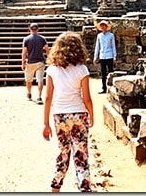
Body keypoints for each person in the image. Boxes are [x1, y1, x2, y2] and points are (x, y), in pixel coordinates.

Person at [42, 32, 93, 192]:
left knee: (64, 151)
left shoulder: (51, 70)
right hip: (78, 113)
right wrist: (91, 114)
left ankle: (55, 185)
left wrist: (46, 124)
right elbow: (87, 98)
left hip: (59, 114)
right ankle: (84, 187)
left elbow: (48, 97)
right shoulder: (82, 69)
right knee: (81, 153)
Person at [22, 23, 49, 104]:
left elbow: (24, 52)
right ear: (37, 29)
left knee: (28, 80)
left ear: (30, 29)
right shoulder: (42, 38)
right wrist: (49, 59)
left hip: (30, 62)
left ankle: (29, 94)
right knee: (40, 80)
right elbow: (47, 50)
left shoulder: (26, 39)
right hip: (40, 61)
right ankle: (39, 97)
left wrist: (23, 62)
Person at [92, 21, 116, 94]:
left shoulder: (111, 35)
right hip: (102, 56)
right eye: (102, 26)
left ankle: (112, 87)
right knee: (103, 73)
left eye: (104, 26)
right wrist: (95, 57)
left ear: (106, 27)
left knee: (111, 72)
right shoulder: (99, 36)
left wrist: (114, 57)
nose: (103, 27)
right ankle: (104, 88)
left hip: (109, 55)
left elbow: (113, 46)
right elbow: (97, 47)